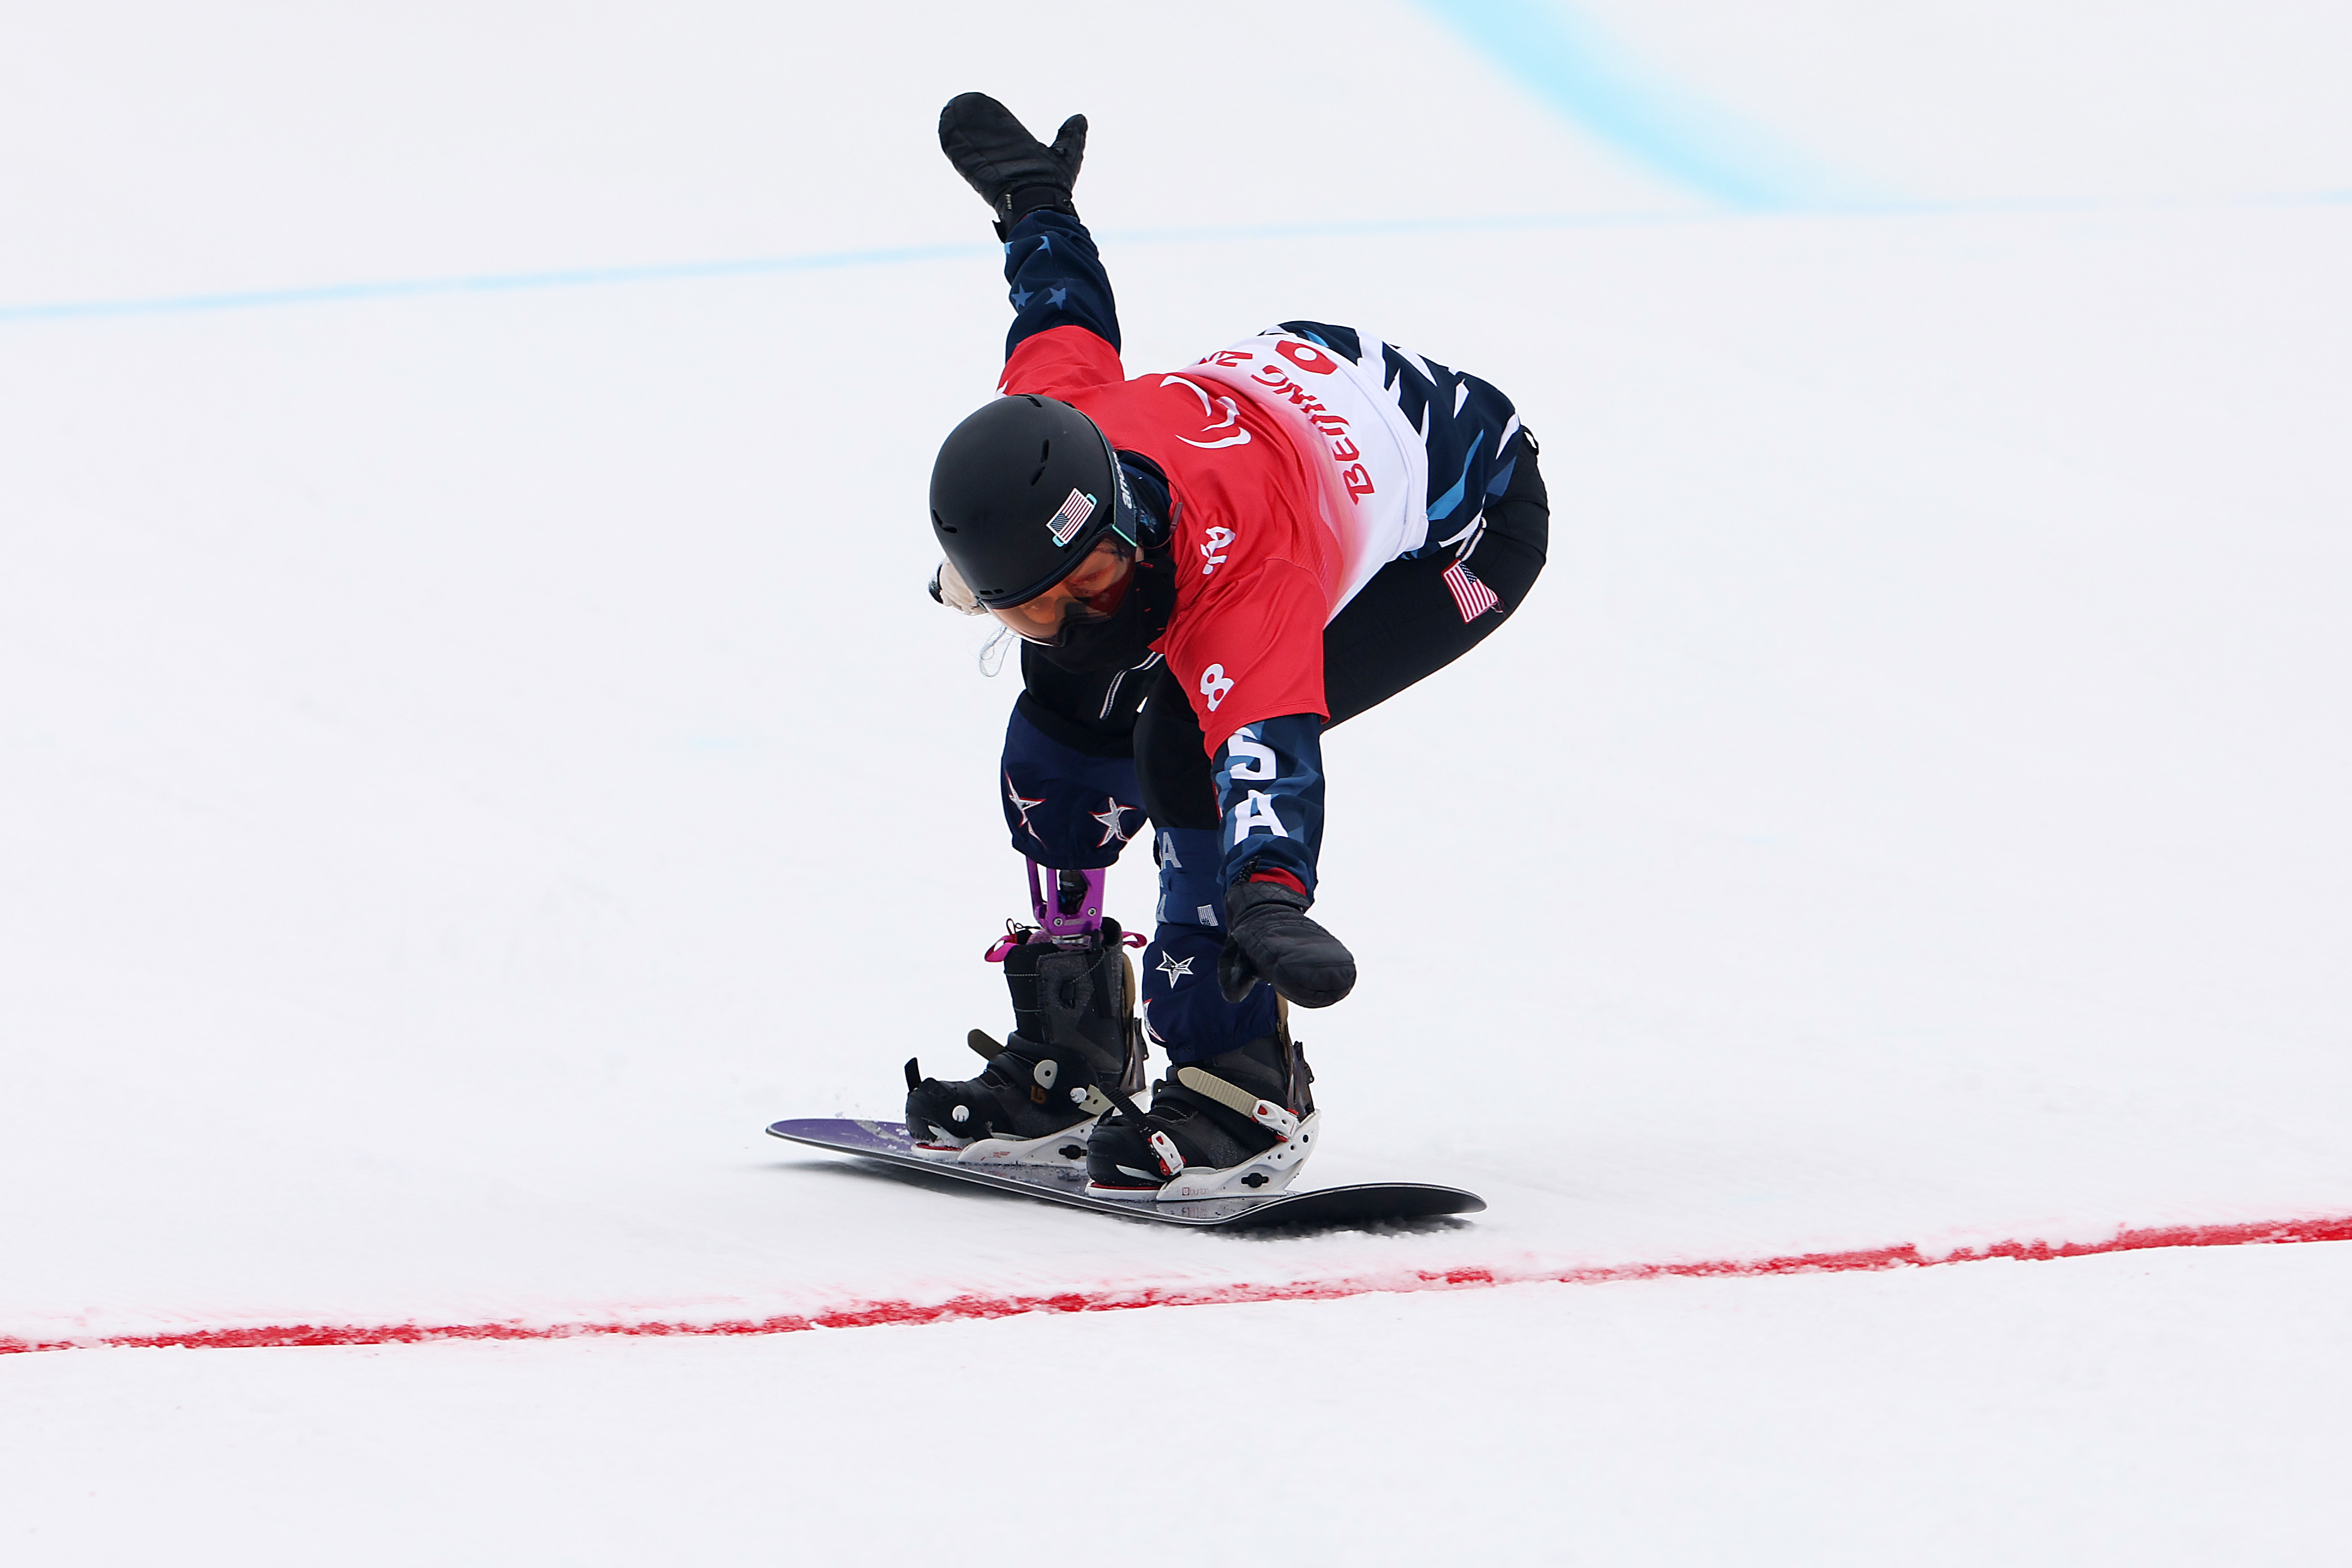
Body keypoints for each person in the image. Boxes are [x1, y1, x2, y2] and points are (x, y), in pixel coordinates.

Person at [903, 92, 1548, 1201]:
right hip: (1290, 396)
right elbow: (1058, 309)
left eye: (1090, 584)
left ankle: (1241, 1080)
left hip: (1465, 519)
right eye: (1026, 606)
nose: (1070, 616)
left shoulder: (1254, 577)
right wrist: (1035, 199)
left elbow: (1268, 754)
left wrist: (1268, 897)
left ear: (1124, 528)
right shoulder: (1061, 423)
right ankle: (1080, 1053)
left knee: (1178, 741)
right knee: (1063, 718)